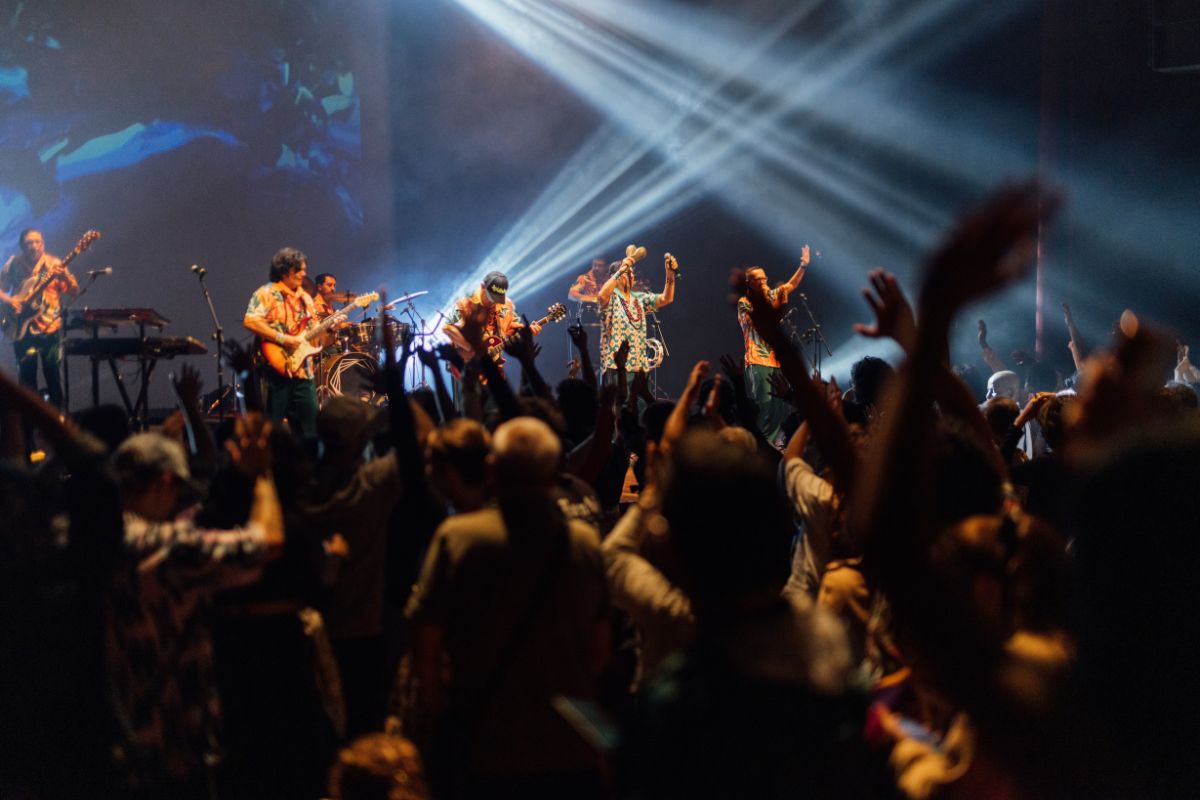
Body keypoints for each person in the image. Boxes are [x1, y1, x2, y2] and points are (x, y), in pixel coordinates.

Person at [407, 417, 609, 798]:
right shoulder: (584, 543)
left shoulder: (460, 537)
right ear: (554, 471)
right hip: (568, 747)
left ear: (492, 469)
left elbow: (427, 644)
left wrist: (440, 711)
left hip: (485, 744)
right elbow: (600, 650)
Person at [107, 419, 285, 796]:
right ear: (166, 482)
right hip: (171, 749)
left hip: (110, 746)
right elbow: (267, 542)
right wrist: (263, 474)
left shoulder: (82, 539)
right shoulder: (163, 549)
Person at [735, 245, 810, 445]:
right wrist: (776, 307)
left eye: (764, 278)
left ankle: (775, 446)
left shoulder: (770, 296)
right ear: (749, 283)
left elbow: (790, 286)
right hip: (758, 360)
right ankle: (759, 447)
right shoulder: (744, 302)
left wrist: (803, 265)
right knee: (764, 407)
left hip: (775, 361)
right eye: (758, 279)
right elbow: (756, 322)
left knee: (779, 408)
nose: (763, 282)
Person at [243, 247, 320, 439]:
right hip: (275, 370)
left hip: (304, 372)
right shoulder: (266, 293)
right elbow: (251, 321)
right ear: (285, 271)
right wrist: (283, 338)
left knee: (310, 430)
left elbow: (315, 334)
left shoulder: (306, 298)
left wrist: (325, 330)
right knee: (271, 429)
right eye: (299, 270)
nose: (304, 274)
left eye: (304, 269)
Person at [0, 228, 78, 408]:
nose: (34, 246)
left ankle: (58, 427)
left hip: (49, 328)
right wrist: (10, 300)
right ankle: (27, 430)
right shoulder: (13, 265)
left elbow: (73, 291)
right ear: (22, 246)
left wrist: (64, 274)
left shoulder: (52, 265)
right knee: (26, 380)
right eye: (29, 243)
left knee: (53, 376)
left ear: (43, 244)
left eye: (38, 242)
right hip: (22, 330)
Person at [597, 249, 676, 386]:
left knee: (641, 405)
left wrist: (670, 274)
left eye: (632, 273)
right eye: (627, 273)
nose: (631, 276)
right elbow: (601, 296)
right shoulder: (611, 296)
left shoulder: (639, 298)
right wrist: (623, 267)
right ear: (616, 276)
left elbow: (666, 298)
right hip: (617, 368)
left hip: (640, 368)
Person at [443, 271, 541, 368]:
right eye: (491, 297)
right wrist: (471, 349)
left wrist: (527, 332)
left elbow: (511, 329)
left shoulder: (506, 305)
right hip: (467, 368)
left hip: (492, 367)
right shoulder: (465, 303)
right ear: (482, 286)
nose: (494, 302)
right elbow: (447, 327)